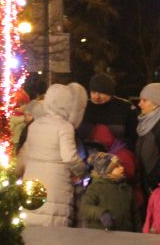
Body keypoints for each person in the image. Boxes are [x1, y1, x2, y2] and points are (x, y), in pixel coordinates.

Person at [18, 83, 88, 228]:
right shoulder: (64, 127)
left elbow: (24, 155)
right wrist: (83, 173)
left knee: (30, 227)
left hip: (32, 182)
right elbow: (69, 157)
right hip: (56, 183)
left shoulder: (35, 125)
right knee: (54, 229)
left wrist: (17, 173)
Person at [135, 82, 160, 199]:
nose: (139, 104)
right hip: (146, 182)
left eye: (144, 100)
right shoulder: (147, 122)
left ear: (155, 103)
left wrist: (153, 179)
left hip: (157, 185)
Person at [80, 152, 136, 232]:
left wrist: (138, 232)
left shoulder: (126, 188)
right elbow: (85, 207)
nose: (122, 168)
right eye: (116, 166)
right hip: (102, 234)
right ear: (106, 170)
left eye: (120, 165)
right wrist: (101, 213)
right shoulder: (97, 187)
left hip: (125, 234)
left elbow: (135, 213)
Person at [79, 72, 138, 149]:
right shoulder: (83, 106)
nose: (96, 96)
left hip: (117, 153)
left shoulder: (125, 108)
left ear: (110, 93)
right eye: (93, 92)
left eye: (101, 93)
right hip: (86, 152)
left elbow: (134, 136)